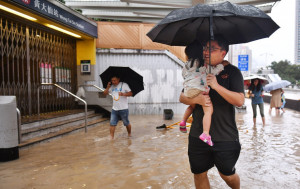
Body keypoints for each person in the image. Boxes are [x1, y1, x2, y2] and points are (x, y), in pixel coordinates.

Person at [180, 35, 244, 189]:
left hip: (225, 137)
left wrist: (216, 86)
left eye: (212, 48)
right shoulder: (198, 69)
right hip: (198, 135)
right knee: (199, 173)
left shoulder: (232, 72)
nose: (206, 52)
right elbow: (182, 97)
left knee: (227, 174)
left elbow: (240, 101)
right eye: (205, 48)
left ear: (223, 53)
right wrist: (197, 100)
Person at [179, 42, 224, 147]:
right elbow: (213, 71)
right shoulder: (203, 63)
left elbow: (184, 75)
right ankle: (206, 133)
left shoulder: (186, 64)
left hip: (188, 89)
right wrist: (221, 66)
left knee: (192, 105)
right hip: (199, 89)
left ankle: (183, 121)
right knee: (208, 110)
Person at [103, 75, 133, 139]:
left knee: (126, 123)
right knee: (112, 123)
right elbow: (104, 93)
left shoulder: (124, 85)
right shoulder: (111, 86)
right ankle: (111, 138)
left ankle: (129, 134)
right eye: (112, 80)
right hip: (114, 109)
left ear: (118, 79)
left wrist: (123, 94)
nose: (113, 82)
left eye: (115, 80)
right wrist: (108, 87)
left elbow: (131, 93)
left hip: (123, 109)